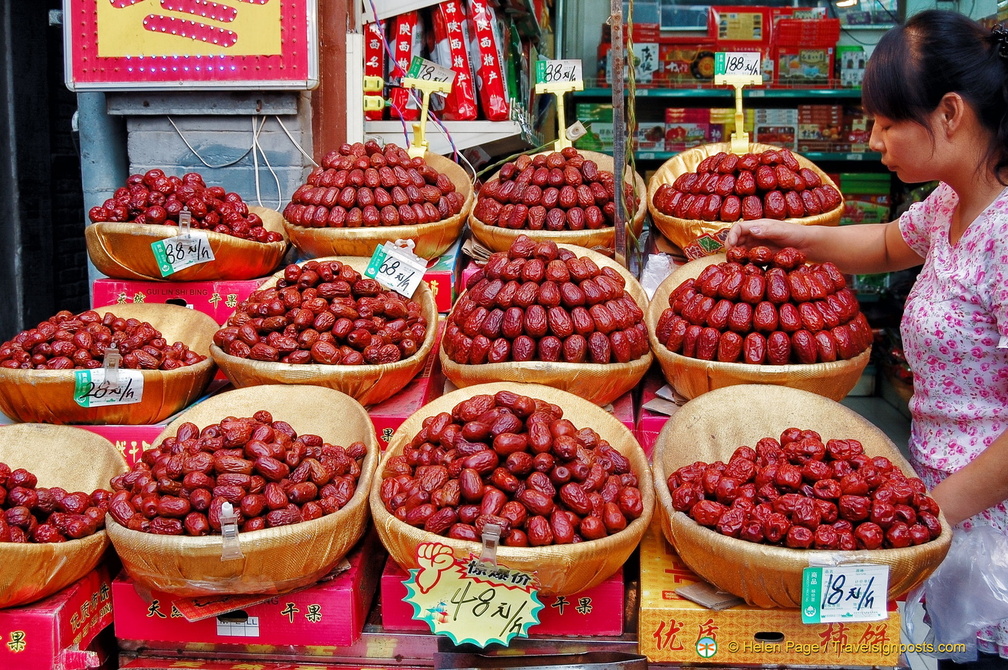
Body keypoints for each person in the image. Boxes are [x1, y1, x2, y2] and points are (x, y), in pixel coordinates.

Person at [724, 10, 1008, 668]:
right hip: (934, 504)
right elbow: (884, 243)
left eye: (885, 124)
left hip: (984, 530)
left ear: (949, 113)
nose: (875, 141)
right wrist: (785, 233)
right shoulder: (951, 202)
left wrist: (931, 512)